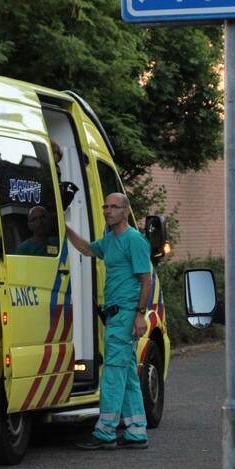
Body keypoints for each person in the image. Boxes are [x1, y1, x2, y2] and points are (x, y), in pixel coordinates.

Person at [65, 192, 153, 450]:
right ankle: (137, 432)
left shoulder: (133, 240)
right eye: (105, 206)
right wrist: (65, 228)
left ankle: (105, 432)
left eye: (114, 207)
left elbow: (145, 279)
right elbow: (86, 248)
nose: (107, 211)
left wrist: (140, 314)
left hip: (125, 314)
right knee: (126, 374)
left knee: (113, 374)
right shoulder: (110, 240)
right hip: (116, 315)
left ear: (126, 211)